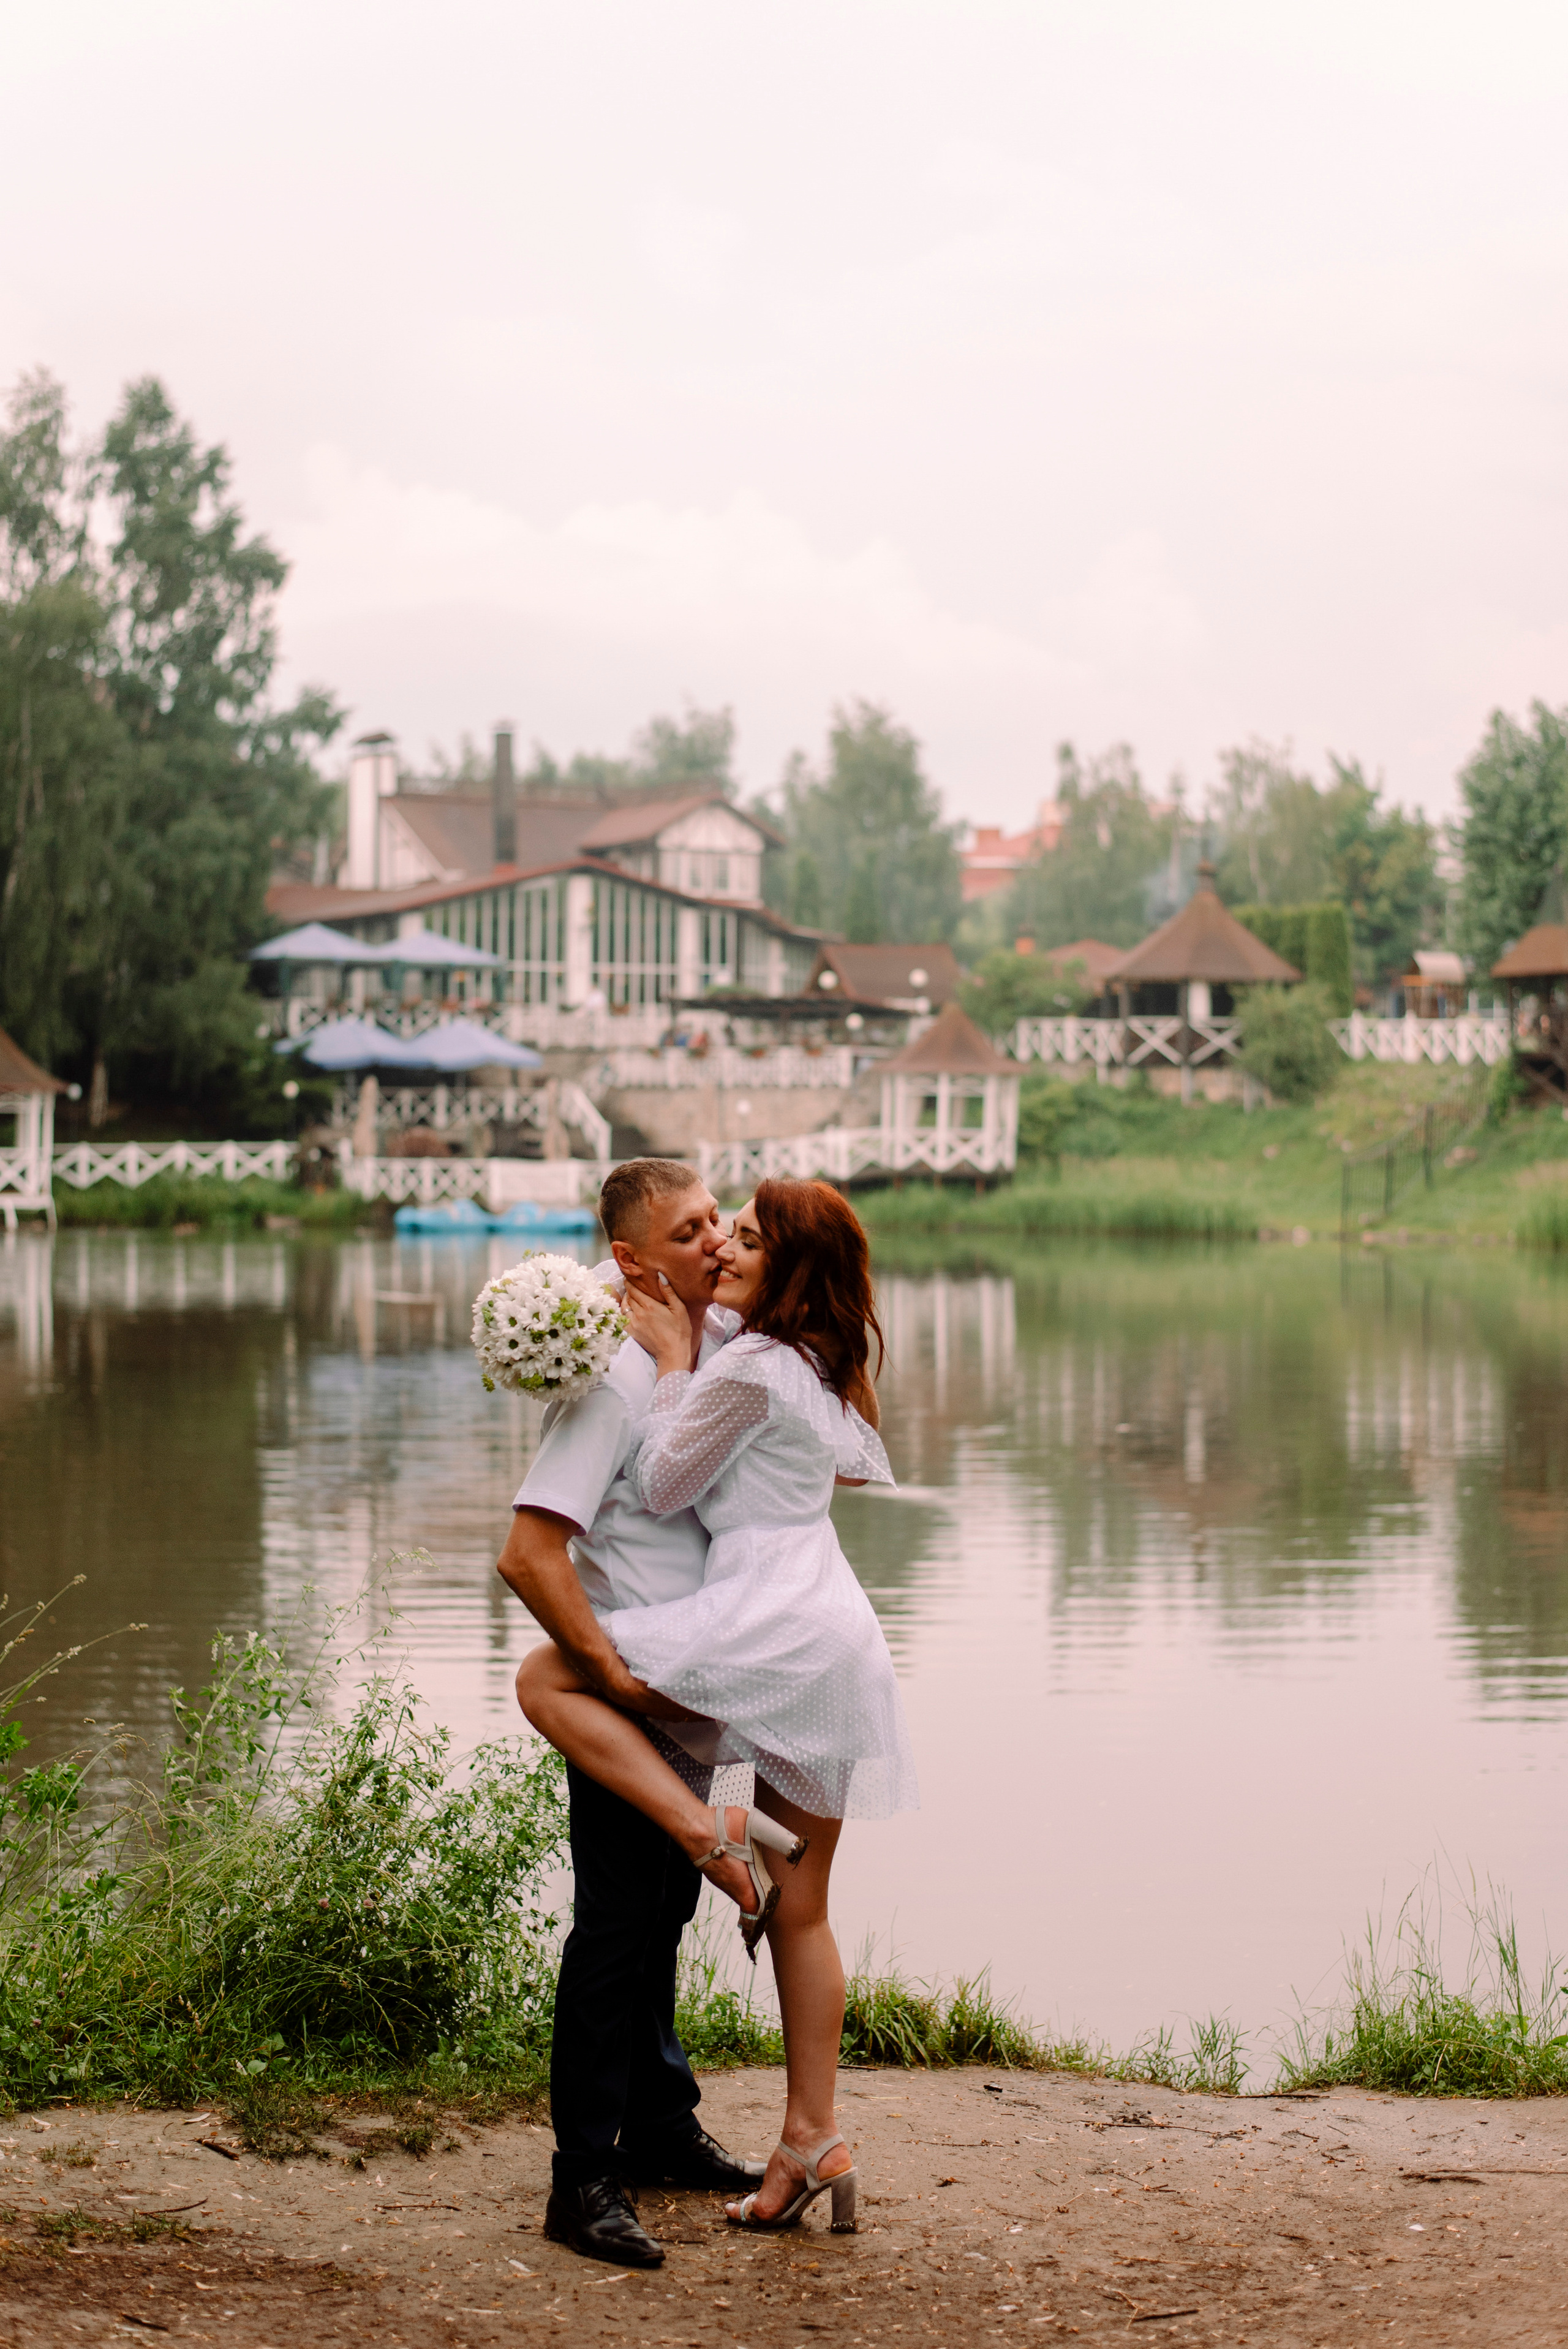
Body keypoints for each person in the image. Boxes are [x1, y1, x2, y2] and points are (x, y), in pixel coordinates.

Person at [516, 1177, 918, 2241]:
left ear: (780, 1269)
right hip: (816, 1637)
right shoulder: (792, 1358)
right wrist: (639, 1312)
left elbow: (662, 1483)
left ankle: (713, 1836)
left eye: (739, 1233)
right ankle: (801, 2135)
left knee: (556, 1687)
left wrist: (682, 1365)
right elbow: (843, 1466)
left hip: (752, 1631)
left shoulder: (736, 1357)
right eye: (704, 1230)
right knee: (784, 1909)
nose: (721, 1245)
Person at [495, 1159, 764, 2271]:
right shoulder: (612, 1379)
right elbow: (528, 1547)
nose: (713, 1238)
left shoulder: (699, 1361)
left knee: (663, 1917)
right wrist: (604, 1671)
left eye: (718, 1218)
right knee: (616, 1926)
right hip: (633, 1695)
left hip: (699, 1697)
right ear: (632, 1259)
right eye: (689, 1228)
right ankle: (582, 2179)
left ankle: (659, 2127)